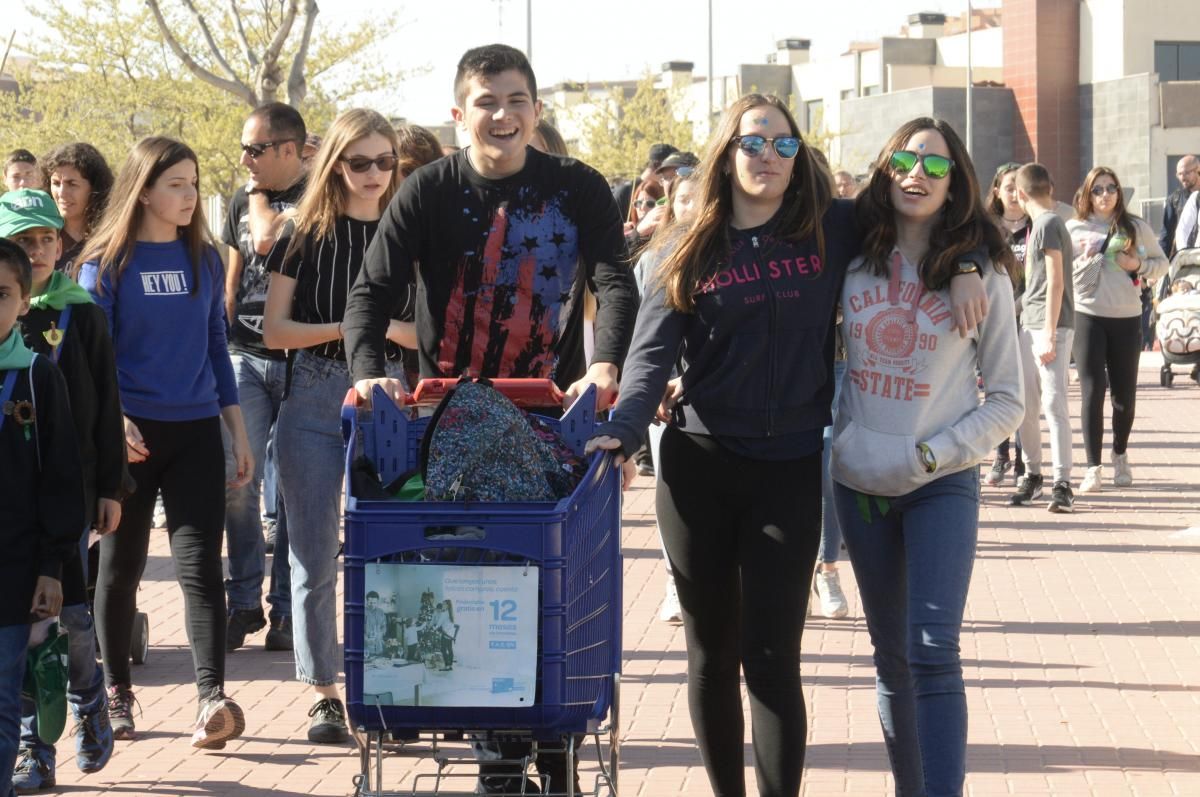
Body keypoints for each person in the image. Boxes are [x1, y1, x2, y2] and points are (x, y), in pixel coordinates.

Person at [342, 44, 638, 795]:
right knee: (478, 584)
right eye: (485, 101)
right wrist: (369, 369)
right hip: (452, 422)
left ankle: (553, 740)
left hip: (551, 422)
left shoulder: (576, 188)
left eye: (515, 100)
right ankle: (502, 751)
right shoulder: (429, 191)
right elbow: (370, 293)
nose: (501, 115)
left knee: (556, 586)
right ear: (459, 112)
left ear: (535, 110)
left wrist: (605, 362)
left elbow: (613, 278)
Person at [831, 117, 1024, 797]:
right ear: (886, 170)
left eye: (936, 167)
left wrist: (936, 452)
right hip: (862, 484)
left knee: (934, 651)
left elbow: (1008, 400)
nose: (918, 175)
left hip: (941, 482)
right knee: (891, 660)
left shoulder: (984, 276)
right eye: (906, 161)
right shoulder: (848, 258)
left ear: (956, 184)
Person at [79, 136, 254, 749]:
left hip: (198, 431)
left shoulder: (206, 259)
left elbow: (216, 348)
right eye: (177, 184)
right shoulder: (107, 262)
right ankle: (118, 695)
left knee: (202, 567)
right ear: (145, 189)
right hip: (129, 437)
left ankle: (212, 698)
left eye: (193, 182)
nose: (189, 195)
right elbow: (94, 362)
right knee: (121, 567)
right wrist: (116, 421)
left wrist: (235, 428)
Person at [262, 107, 413, 744]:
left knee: (396, 552)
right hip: (315, 394)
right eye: (360, 162)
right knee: (313, 553)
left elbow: (426, 334)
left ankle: (398, 685)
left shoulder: (412, 233)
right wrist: (355, 330)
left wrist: (373, 336)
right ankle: (324, 693)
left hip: (395, 398)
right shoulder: (302, 232)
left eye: (385, 162)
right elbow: (273, 331)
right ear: (336, 164)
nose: (374, 174)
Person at [1, 190, 124, 789]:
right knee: (27, 629)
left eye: (48, 238)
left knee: (71, 618)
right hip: (15, 509)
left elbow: (105, 405)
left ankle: (90, 697)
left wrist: (110, 486)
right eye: (24, 241)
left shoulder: (83, 314)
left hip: (67, 499)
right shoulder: (4, 311)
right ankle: (34, 744)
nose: (39, 250)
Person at [221, 102, 308, 653]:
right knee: (237, 479)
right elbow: (233, 276)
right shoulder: (237, 200)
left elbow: (267, 240)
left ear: (288, 150)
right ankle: (244, 600)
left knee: (299, 491)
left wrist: (257, 201)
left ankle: (283, 612)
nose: (245, 159)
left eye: (255, 149)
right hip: (243, 358)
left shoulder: (321, 197)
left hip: (303, 361)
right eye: (244, 148)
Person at [0, 239, 84, 797]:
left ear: (24, 302)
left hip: (14, 567)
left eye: (1, 293)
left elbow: (60, 478)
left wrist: (52, 566)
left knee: (4, 697)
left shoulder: (36, 378)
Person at [1068, 167, 1168, 491]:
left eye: (1111, 188)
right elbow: (1057, 271)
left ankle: (1120, 455)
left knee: (1123, 396)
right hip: (1088, 315)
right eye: (1097, 189)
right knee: (1092, 392)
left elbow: (1162, 263)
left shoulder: (1135, 227)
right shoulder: (1073, 228)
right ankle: (1093, 468)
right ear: (1087, 194)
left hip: (1126, 317)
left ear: (1119, 193)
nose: (1105, 194)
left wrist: (1136, 265)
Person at [1009, 163, 1077, 513]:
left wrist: (1049, 333)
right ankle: (1033, 474)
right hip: (1030, 323)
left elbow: (1056, 281)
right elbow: (1035, 287)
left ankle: (1062, 482)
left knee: (1053, 404)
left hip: (1051, 327)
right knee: (1028, 406)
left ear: (1020, 194)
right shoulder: (1040, 225)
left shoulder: (1049, 223)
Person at [983, 162, 1028, 487]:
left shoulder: (1036, 226)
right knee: (995, 391)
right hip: (993, 319)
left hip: (1027, 317)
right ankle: (1000, 456)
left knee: (1024, 391)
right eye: (1008, 186)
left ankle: (1025, 461)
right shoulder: (985, 226)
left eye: (1019, 186)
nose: (1014, 193)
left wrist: (1020, 303)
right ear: (997, 190)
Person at [42, 143, 114, 274]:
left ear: (94, 188)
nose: (62, 193)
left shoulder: (112, 236)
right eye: (56, 183)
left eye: (72, 184)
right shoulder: (41, 234)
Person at [1161, 155, 1198, 259]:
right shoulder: (1174, 200)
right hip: (1185, 260)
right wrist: (1160, 265)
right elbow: (1166, 235)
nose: (1183, 177)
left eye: (1186, 173)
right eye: (1179, 174)